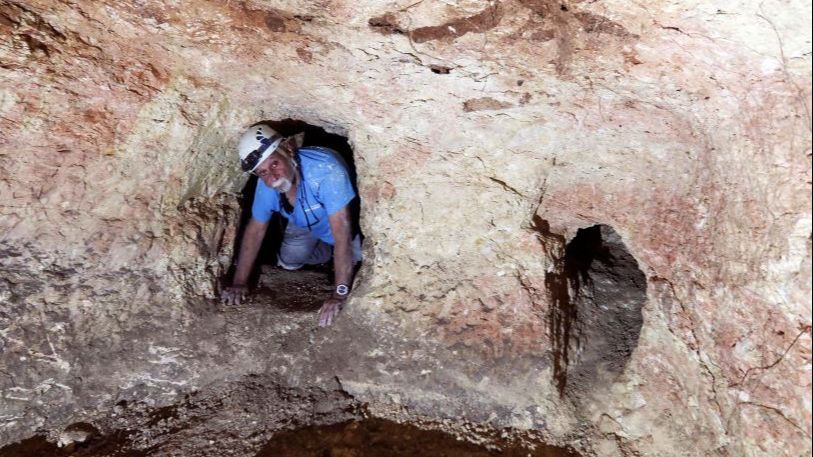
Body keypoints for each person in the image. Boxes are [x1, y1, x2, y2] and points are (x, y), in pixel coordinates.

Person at [221, 124, 361, 327]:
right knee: (289, 260)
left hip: (347, 228)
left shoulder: (326, 171)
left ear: (288, 149)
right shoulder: (267, 184)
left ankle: (342, 261)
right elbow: (256, 230)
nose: (272, 177)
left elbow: (342, 235)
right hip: (308, 223)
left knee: (357, 262)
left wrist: (339, 293)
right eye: (262, 173)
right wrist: (239, 282)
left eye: (274, 165)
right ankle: (331, 257)